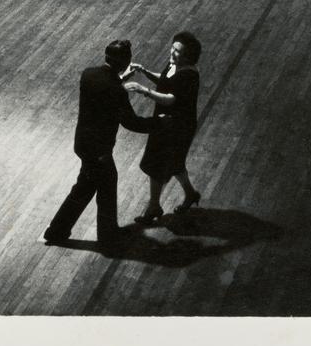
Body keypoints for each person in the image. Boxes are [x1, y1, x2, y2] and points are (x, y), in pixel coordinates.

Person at [43, 39, 156, 251]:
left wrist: (121, 78)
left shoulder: (89, 75)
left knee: (89, 187)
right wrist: (159, 124)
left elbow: (106, 87)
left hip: (84, 143)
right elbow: (132, 123)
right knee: (97, 188)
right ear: (125, 62)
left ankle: (61, 231)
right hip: (100, 150)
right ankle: (103, 236)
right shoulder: (117, 90)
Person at [125, 31, 202, 223]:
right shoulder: (175, 65)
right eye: (173, 48)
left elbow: (171, 99)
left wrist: (144, 91)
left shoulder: (188, 75)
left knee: (157, 164)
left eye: (178, 51)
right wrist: (145, 72)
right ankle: (190, 194)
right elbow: (165, 80)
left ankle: (153, 207)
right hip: (165, 122)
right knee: (174, 163)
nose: (172, 53)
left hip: (176, 126)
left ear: (188, 56)